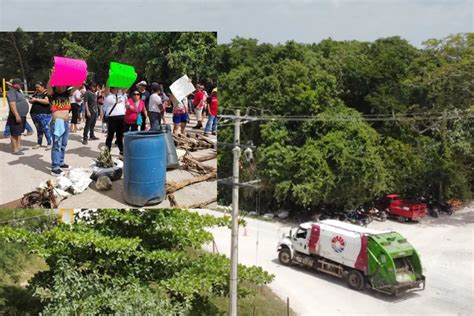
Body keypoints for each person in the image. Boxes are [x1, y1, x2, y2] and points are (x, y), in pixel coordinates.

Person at [47, 80, 78, 175]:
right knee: (57, 145)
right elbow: (48, 86)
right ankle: (55, 167)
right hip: (57, 123)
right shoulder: (52, 94)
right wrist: (53, 75)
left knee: (64, 144)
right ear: (56, 85)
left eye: (65, 85)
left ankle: (61, 162)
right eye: (62, 85)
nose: (64, 86)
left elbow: (77, 86)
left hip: (65, 122)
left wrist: (83, 76)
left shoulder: (67, 93)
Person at [6, 78, 30, 155]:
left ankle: (19, 146)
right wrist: (17, 115)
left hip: (21, 115)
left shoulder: (17, 91)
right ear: (15, 84)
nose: (21, 86)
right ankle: (15, 149)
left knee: (18, 132)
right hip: (15, 116)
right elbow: (12, 104)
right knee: (14, 133)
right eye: (20, 84)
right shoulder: (11, 92)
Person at [103, 86, 126, 156]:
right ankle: (107, 153)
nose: (118, 88)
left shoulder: (121, 94)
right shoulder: (107, 95)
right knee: (110, 136)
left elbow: (128, 86)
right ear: (112, 88)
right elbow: (107, 87)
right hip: (112, 118)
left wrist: (134, 77)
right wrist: (110, 77)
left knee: (120, 136)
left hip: (121, 117)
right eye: (116, 87)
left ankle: (122, 151)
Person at [29, 82, 52, 149]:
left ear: (42, 87)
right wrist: (31, 100)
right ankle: (39, 143)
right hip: (34, 113)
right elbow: (31, 101)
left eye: (38, 87)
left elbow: (47, 101)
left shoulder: (46, 93)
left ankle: (49, 143)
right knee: (38, 129)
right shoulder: (35, 93)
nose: (37, 88)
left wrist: (36, 99)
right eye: (36, 87)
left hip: (44, 113)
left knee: (46, 128)